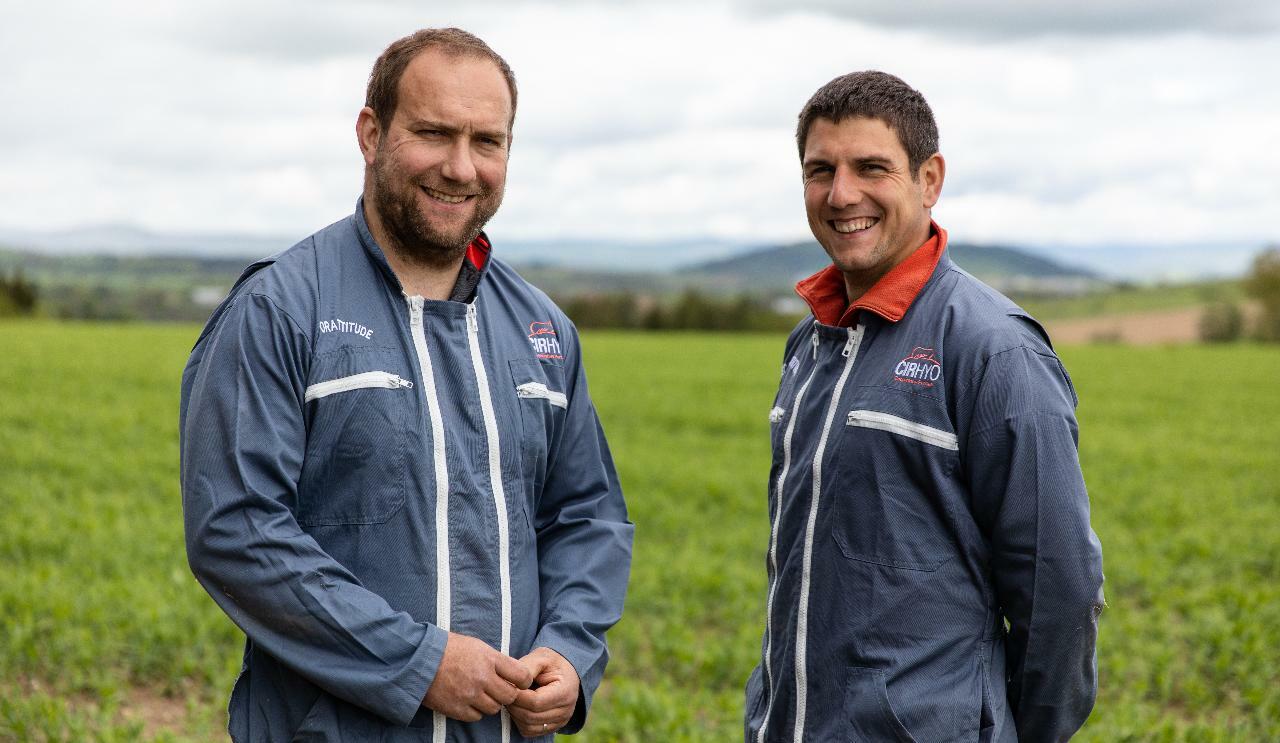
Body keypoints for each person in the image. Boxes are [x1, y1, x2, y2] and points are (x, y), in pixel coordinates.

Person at [180, 28, 633, 742]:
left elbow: (587, 516)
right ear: (370, 133)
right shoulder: (280, 308)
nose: (461, 167)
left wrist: (571, 652)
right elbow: (235, 530)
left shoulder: (544, 330)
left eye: (487, 140)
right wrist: (418, 662)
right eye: (433, 133)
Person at [743, 71, 1105, 742]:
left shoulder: (994, 351)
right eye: (820, 170)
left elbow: (1058, 589)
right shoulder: (812, 341)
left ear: (929, 179)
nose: (841, 193)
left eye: (870, 167)